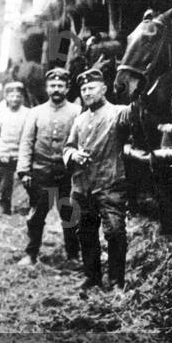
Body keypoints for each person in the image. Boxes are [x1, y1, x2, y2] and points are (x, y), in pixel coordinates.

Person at [63, 68, 133, 290]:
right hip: (82, 185)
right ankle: (92, 278)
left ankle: (116, 282)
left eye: (91, 88)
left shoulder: (119, 112)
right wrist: (73, 155)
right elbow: (68, 146)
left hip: (109, 183)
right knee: (85, 232)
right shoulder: (80, 119)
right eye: (83, 89)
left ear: (104, 89)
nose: (87, 93)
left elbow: (136, 115)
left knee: (114, 232)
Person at [16, 68, 81, 267]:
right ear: (46, 88)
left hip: (67, 175)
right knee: (36, 216)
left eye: (60, 86)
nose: (56, 89)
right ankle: (31, 254)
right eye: (52, 86)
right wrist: (24, 170)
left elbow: (82, 143)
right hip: (40, 173)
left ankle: (73, 255)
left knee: (70, 216)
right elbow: (26, 142)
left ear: (67, 88)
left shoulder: (77, 112)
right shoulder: (35, 112)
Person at [0, 81, 29, 215]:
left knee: (23, 182)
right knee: (4, 183)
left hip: (21, 155)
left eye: (18, 96)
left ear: (23, 98)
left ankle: (22, 208)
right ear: (6, 98)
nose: (14, 99)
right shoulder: (1, 115)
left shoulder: (28, 114)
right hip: (3, 155)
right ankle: (5, 208)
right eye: (11, 96)